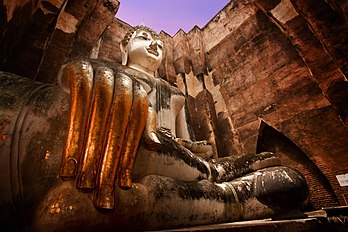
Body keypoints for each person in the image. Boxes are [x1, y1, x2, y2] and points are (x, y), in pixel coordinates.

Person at [0, 25, 309, 231]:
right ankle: (228, 194)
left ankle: (223, 177)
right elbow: (70, 90)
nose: (155, 45)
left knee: (208, 166)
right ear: (124, 46)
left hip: (173, 156)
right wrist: (83, 74)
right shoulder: (105, 71)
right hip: (126, 155)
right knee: (156, 168)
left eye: (159, 43)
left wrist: (193, 148)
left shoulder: (173, 94)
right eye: (144, 38)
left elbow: (182, 138)